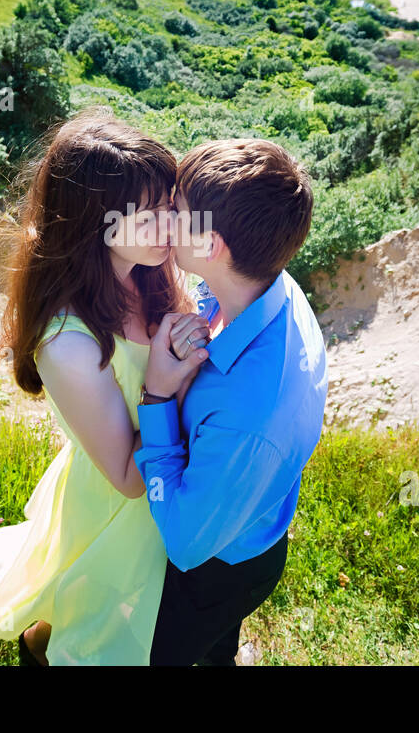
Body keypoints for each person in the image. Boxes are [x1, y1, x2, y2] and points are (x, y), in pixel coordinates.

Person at [0, 109, 209, 666]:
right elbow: (126, 480)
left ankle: (41, 638)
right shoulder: (69, 343)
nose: (170, 227)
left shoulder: (147, 271)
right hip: (119, 502)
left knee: (91, 601)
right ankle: (39, 649)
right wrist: (167, 385)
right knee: (99, 618)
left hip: (165, 480)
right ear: (96, 224)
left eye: (170, 206)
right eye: (149, 215)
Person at [133, 137, 329, 666]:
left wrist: (156, 396)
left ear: (213, 245)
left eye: (176, 210)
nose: (164, 217)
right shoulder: (273, 286)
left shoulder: (248, 409)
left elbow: (183, 540)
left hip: (216, 570)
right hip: (253, 535)